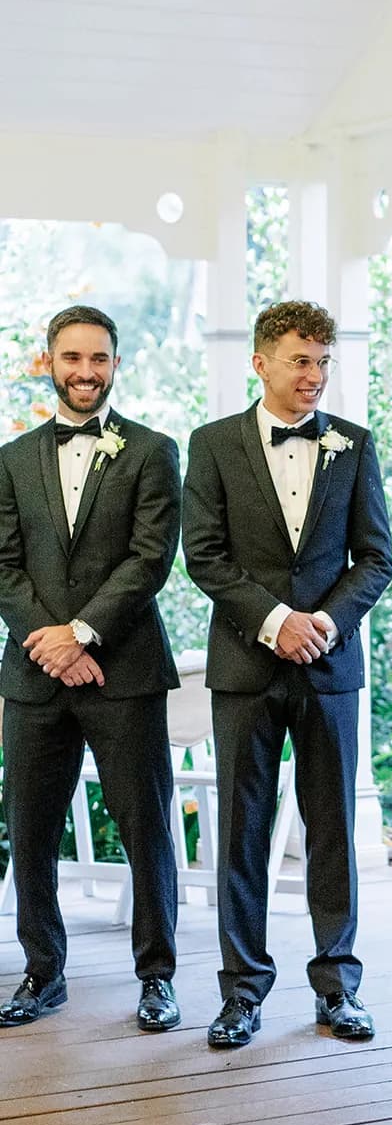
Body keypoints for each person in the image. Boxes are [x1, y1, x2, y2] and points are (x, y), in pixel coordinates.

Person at [183, 301, 392, 1049]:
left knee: (331, 825)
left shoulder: (353, 446)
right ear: (261, 362)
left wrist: (326, 623)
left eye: (324, 361)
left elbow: (376, 559)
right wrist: (277, 622)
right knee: (242, 829)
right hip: (246, 664)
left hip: (330, 666)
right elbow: (204, 554)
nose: (315, 376)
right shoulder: (211, 445)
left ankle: (338, 987)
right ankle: (241, 992)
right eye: (301, 360)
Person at [0, 306, 181, 1032]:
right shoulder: (11, 459)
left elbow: (150, 560)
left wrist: (80, 634)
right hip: (34, 676)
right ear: (49, 362)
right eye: (72, 358)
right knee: (32, 830)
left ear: (115, 364)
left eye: (98, 359)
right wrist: (49, 642)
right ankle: (43, 973)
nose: (85, 371)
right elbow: (4, 565)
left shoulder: (153, 451)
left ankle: (157, 978)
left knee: (146, 830)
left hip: (124, 670)